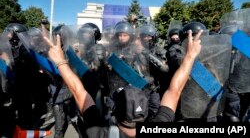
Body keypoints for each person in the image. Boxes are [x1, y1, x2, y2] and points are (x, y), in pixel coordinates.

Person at [43, 27, 202, 137]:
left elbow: (79, 92)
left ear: (114, 113)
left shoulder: (97, 133)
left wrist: (60, 61)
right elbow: (174, 91)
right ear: (146, 113)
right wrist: (190, 57)